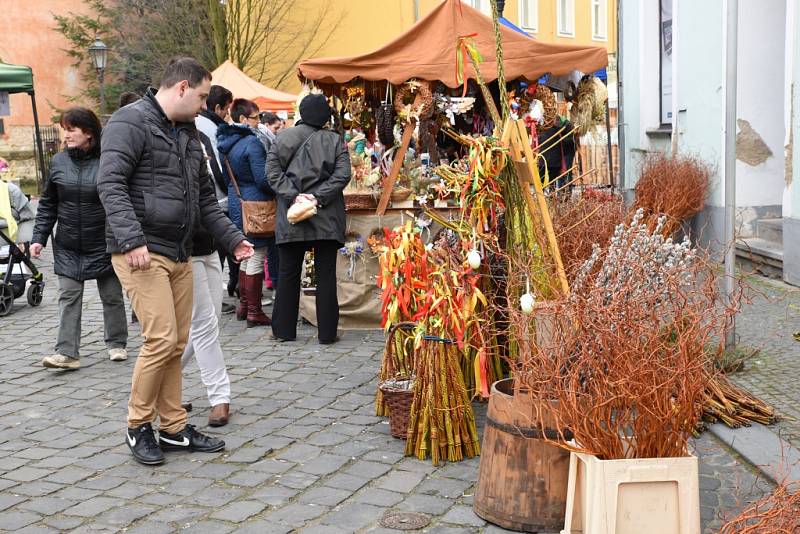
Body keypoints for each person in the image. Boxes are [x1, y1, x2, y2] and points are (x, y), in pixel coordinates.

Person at [97, 57, 253, 466]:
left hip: (180, 250)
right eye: (202, 96)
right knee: (162, 339)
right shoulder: (128, 122)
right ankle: (138, 425)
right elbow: (109, 183)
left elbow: (204, 200)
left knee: (176, 343)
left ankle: (173, 427)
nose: (205, 105)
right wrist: (131, 239)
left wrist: (234, 240)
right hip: (141, 252)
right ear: (182, 87)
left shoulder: (187, 132)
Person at [30, 107, 128, 370]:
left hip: (103, 242)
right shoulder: (58, 162)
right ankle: (67, 353)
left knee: (112, 296)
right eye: (65, 130)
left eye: (71, 129)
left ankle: (117, 343)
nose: (66, 135)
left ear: (89, 132)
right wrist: (38, 237)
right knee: (69, 296)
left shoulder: (108, 160)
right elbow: (48, 203)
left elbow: (119, 202)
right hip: (68, 244)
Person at [266, 93, 351, 344]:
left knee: (288, 273)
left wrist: (294, 197)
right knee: (325, 275)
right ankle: (326, 333)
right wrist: (317, 197)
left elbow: (271, 173)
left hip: (292, 216)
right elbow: (342, 175)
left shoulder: (283, 137)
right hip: (326, 216)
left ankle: (283, 330)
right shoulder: (335, 141)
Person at [218, 98, 275, 327]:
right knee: (257, 254)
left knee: (244, 254)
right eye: (256, 117)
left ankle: (244, 305)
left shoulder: (226, 143)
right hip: (255, 205)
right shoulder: (252, 143)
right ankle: (254, 310)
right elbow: (263, 179)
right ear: (243, 119)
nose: (259, 122)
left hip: (236, 202)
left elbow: (226, 179)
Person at [195, 85, 239, 307]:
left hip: (215, 197)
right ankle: (214, 297)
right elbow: (215, 166)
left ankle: (221, 291)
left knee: (218, 249)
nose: (227, 114)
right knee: (216, 250)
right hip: (216, 198)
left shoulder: (208, 124)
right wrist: (229, 189)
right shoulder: (207, 127)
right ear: (218, 106)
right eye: (226, 109)